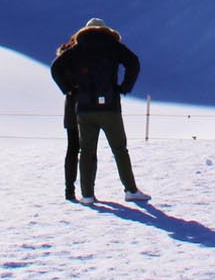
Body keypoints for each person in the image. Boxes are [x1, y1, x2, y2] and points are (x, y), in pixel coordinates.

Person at [49, 18, 149, 205]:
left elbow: (56, 68)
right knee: (119, 149)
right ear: (105, 31)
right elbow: (133, 62)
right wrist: (124, 87)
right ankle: (130, 190)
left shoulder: (78, 47)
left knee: (86, 151)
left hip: (84, 108)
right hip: (110, 106)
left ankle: (87, 195)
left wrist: (70, 89)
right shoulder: (112, 45)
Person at [56, 37, 81, 201]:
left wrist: (67, 90)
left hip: (71, 107)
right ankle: (87, 190)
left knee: (72, 147)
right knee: (86, 149)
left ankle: (69, 189)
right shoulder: (81, 54)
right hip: (85, 106)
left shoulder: (65, 56)